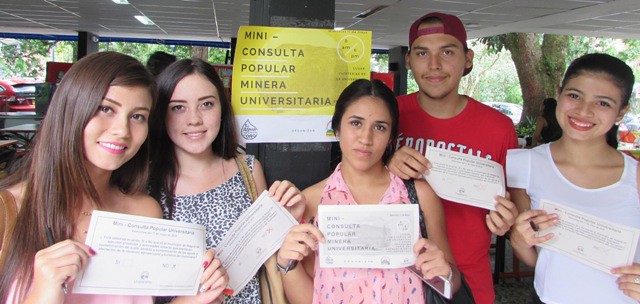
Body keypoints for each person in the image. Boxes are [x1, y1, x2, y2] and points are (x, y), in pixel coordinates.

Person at [0, 52, 228, 304]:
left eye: (137, 116)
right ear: (71, 108)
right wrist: (43, 293)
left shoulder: (144, 212)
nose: (122, 130)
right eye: (106, 109)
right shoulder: (9, 210)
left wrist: (194, 298)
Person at [276, 79, 461, 304]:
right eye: (356, 123)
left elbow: (453, 279)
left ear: (391, 137)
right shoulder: (311, 202)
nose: (366, 138)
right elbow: (309, 299)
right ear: (336, 128)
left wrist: (445, 271)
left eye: (380, 127)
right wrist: (287, 262)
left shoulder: (419, 196)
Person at [387, 12, 519, 304]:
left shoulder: (499, 127)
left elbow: (516, 211)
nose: (434, 65)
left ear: (468, 58)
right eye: (423, 53)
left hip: (470, 282)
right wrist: (385, 168)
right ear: (409, 60)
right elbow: (351, 182)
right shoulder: (387, 116)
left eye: (447, 52)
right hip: (393, 276)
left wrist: (509, 222)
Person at [148, 58, 304, 304]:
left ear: (222, 108)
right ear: (161, 114)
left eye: (206, 104)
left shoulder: (248, 170)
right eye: (178, 107)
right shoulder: (147, 188)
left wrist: (287, 218)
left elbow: (270, 255)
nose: (194, 119)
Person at [507, 53, 640, 303]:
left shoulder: (635, 176)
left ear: (621, 112)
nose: (583, 111)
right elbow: (539, 260)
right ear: (559, 93)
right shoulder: (524, 165)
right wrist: (520, 241)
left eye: (603, 103)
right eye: (574, 96)